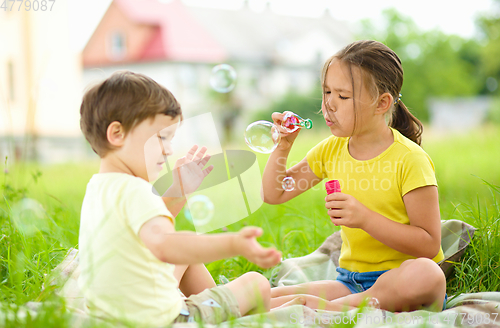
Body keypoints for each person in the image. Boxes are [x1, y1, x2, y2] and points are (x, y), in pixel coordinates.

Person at [78, 71, 282, 327]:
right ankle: (228, 315)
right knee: (256, 283)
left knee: (186, 254)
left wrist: (180, 188)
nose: (169, 149)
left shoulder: (98, 187)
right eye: (162, 137)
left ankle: (219, 304)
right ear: (117, 133)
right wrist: (233, 243)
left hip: (110, 316)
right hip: (160, 321)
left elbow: (150, 227)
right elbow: (165, 244)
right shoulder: (135, 189)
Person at [262, 40, 447, 312]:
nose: (329, 105)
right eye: (326, 92)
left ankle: (332, 308)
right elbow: (275, 192)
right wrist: (283, 147)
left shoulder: (410, 159)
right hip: (352, 282)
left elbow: (429, 245)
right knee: (270, 297)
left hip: (403, 281)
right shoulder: (331, 149)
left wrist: (365, 218)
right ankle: (344, 305)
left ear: (382, 103)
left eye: (343, 96)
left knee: (427, 275)